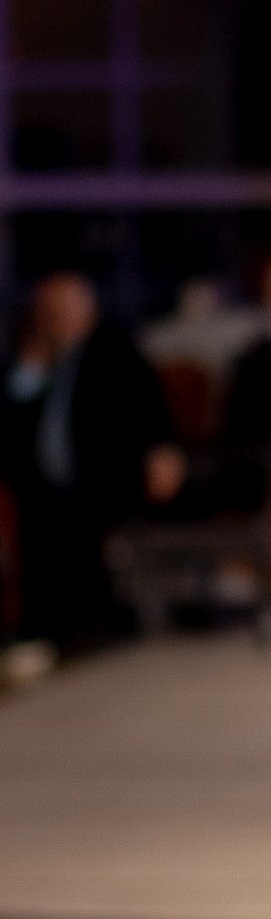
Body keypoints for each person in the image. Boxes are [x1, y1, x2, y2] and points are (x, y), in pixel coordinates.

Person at [0, 272, 184, 650]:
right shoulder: (40, 359)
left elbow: (149, 404)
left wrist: (163, 450)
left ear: (89, 309)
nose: (56, 318)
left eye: (64, 309)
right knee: (34, 524)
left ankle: (89, 624)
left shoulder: (112, 349)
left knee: (77, 528)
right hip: (45, 485)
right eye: (48, 311)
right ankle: (42, 629)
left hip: (104, 477)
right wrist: (31, 366)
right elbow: (13, 420)